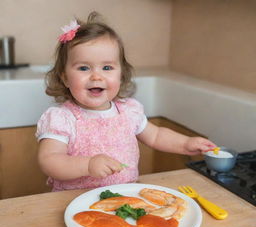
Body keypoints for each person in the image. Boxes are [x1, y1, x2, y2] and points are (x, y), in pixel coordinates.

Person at [36, 12, 216, 191]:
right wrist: (88, 165)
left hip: (123, 197)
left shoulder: (129, 111)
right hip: (73, 202)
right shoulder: (62, 118)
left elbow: (156, 136)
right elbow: (50, 160)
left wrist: (185, 144)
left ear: (121, 75)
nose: (96, 76)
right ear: (65, 78)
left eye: (107, 67)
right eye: (84, 67)